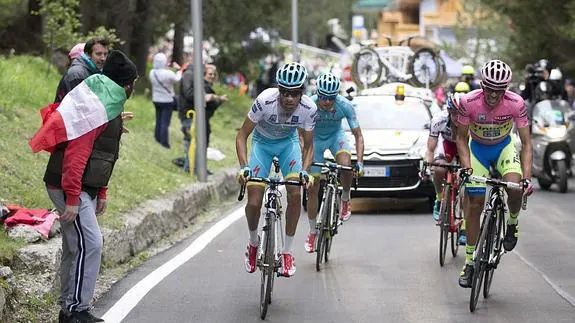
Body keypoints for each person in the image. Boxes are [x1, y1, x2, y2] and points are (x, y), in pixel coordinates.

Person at [30, 50, 138, 323]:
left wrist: (101, 192)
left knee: (75, 245)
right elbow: (76, 157)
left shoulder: (107, 105)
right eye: (132, 82)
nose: (132, 88)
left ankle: (69, 308)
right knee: (91, 244)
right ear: (125, 84)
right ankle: (76, 309)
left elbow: (104, 156)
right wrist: (73, 198)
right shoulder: (96, 108)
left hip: (82, 188)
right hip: (69, 186)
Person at [455, 60, 533, 288]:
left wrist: (527, 177)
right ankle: (469, 262)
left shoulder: (516, 103)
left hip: (503, 148)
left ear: (506, 89)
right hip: (477, 150)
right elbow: (461, 138)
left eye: (499, 91)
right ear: (482, 85)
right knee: (475, 203)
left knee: (514, 187)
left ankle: (512, 223)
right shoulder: (468, 102)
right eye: (489, 89)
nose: (492, 95)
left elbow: (527, 143)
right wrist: (467, 168)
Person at [236, 62, 317, 277]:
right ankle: (253, 244)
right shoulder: (264, 101)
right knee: (254, 201)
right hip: (262, 145)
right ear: (278, 90)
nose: (289, 98)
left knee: (295, 193)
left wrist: (305, 171)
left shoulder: (309, 108)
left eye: (294, 93)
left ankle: (287, 252)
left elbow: (309, 145)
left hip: (288, 145)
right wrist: (244, 167)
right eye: (284, 92)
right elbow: (242, 135)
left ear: (302, 92)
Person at [303, 73, 364, 253]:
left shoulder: (345, 105)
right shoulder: (309, 104)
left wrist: (359, 162)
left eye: (331, 98)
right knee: (312, 188)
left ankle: (345, 198)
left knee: (346, 163)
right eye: (323, 97)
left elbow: (358, 135)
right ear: (317, 93)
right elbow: (300, 136)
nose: (327, 102)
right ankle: (313, 232)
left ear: (336, 95)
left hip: (336, 137)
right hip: (315, 141)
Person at [422, 90, 468, 245]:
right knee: (439, 168)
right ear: (448, 111)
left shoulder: (472, 121)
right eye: (454, 113)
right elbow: (430, 148)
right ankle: (439, 198)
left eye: (461, 113)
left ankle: (465, 227)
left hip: (465, 147)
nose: (457, 118)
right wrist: (428, 166)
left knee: (467, 187)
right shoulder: (439, 120)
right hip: (447, 145)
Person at [54, 38, 110, 103]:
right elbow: (80, 106)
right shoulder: (77, 74)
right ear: (88, 55)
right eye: (98, 54)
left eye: (105, 54)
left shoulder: (95, 72)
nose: (103, 58)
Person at [149, 52, 182, 148]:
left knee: (158, 119)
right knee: (165, 122)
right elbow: (177, 79)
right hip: (167, 100)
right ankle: (164, 143)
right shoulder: (168, 73)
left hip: (156, 99)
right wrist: (179, 69)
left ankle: (157, 137)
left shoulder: (152, 72)